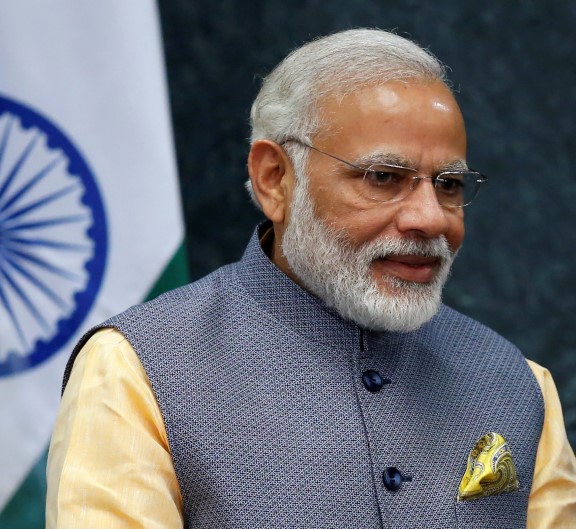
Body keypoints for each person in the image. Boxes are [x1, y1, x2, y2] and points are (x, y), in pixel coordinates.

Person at [45, 28, 576, 528]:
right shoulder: (135, 368)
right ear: (275, 179)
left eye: (449, 184)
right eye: (384, 178)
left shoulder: (519, 381)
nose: (431, 218)